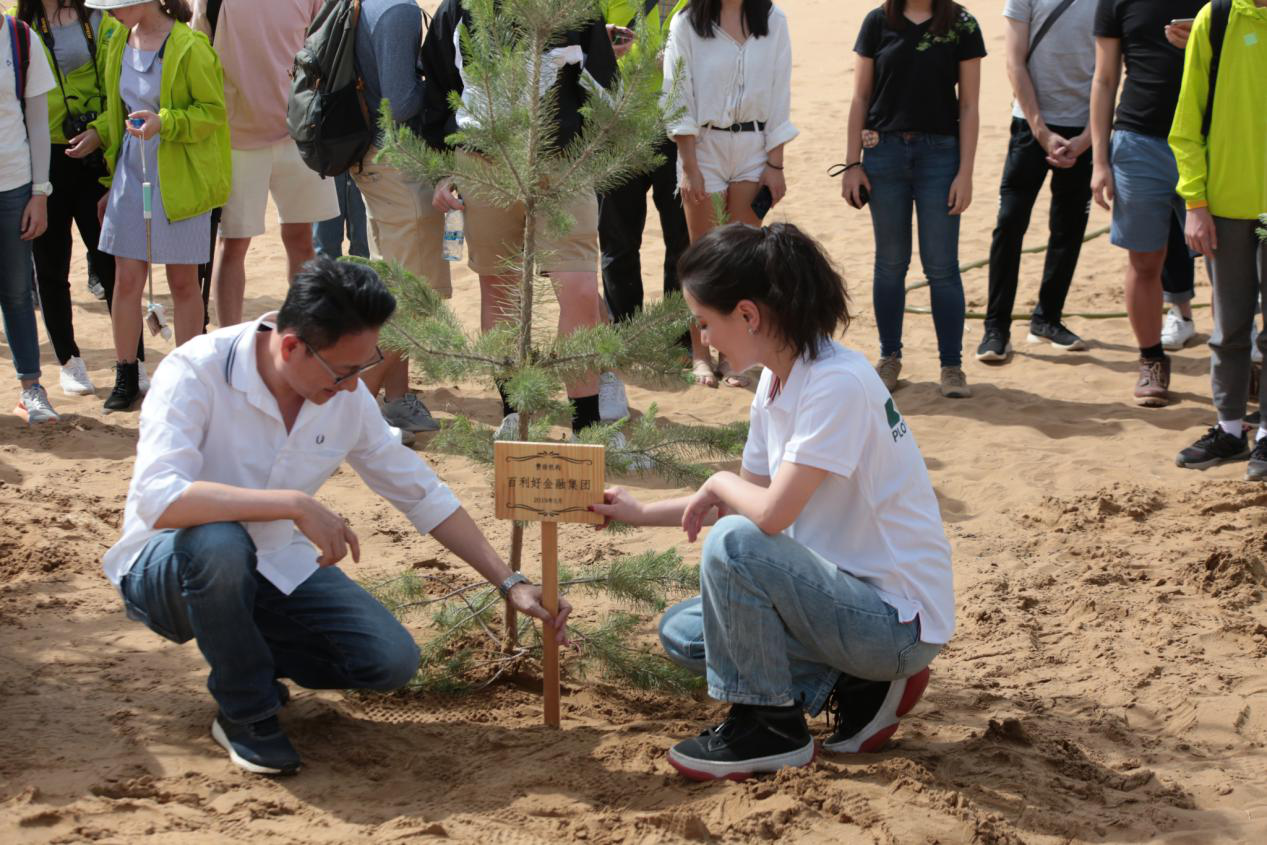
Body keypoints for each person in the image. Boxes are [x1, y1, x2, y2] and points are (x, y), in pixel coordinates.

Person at [102, 257, 572, 775]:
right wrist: (294, 504)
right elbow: (161, 500)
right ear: (291, 347)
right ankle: (246, 711)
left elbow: (420, 492)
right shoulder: (195, 370)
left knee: (388, 660)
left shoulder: (340, 391)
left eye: (365, 367)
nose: (354, 387)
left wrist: (510, 583)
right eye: (344, 372)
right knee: (218, 542)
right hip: (165, 570)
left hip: (271, 567)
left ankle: (244, 654)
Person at [592, 223, 952, 780]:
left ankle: (771, 728)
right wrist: (640, 512)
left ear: (748, 315)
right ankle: (857, 683)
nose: (704, 339)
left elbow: (766, 516)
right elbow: (748, 499)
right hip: (842, 600)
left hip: (895, 623)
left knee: (733, 548)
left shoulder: (837, 383)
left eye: (706, 323)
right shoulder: (777, 380)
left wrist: (716, 481)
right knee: (687, 634)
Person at [424, 0, 618, 435]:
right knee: (500, 288)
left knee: (581, 289)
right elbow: (438, 90)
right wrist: (442, 170)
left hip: (562, 166)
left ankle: (587, 425)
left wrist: (592, 152)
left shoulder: (577, 6)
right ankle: (513, 412)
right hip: (484, 163)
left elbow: (605, 84)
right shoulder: (458, 8)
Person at [70, 0, 230, 412]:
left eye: (115, 5)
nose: (108, 13)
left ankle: (187, 380)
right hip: (131, 170)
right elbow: (116, 111)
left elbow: (212, 113)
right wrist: (98, 135)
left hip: (181, 177)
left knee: (182, 283)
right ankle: (127, 375)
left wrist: (166, 122)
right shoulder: (118, 41)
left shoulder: (190, 46)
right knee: (125, 279)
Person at [841, 0, 984, 399]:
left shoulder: (962, 24)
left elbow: (970, 105)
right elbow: (860, 98)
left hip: (941, 157)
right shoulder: (876, 23)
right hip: (883, 156)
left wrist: (965, 173)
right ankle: (889, 358)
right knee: (890, 263)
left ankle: (952, 366)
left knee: (942, 266)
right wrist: (852, 163)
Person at [663, 0, 796, 388]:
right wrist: (689, 165)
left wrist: (776, 163)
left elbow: (779, 93)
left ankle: (734, 356)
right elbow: (676, 93)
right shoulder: (687, 22)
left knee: (743, 258)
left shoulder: (773, 20)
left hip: (755, 148)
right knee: (701, 256)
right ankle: (700, 354)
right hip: (703, 147)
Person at [190, 0, 338, 329]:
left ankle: (301, 333)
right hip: (235, 139)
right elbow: (197, 52)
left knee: (301, 237)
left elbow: (323, 45)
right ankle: (230, 340)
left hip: (299, 133)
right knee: (233, 244)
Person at [1089, 0, 1205, 407]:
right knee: (1144, 261)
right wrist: (1100, 161)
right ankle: (1151, 360)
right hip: (1139, 142)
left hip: (1212, 143)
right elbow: (1104, 80)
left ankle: (1241, 363)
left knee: (1229, 262)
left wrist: (1208, 40)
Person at [1171, 0, 1267, 476]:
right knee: (1230, 329)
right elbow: (1186, 123)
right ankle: (1230, 430)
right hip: (1226, 208)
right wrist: (1195, 203)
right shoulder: (1218, 17)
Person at [351, 0, 453, 436]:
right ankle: (351, 408)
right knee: (414, 301)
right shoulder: (397, 10)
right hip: (397, 163)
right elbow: (400, 101)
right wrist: (446, 85)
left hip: (374, 160)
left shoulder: (364, 4)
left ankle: (396, 401)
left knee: (395, 291)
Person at [14, 0, 126, 397]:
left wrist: (98, 130)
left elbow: (118, 88)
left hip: (97, 154)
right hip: (43, 160)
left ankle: (130, 361)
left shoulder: (99, 16)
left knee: (112, 262)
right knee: (50, 266)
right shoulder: (19, 25)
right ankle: (69, 361)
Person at [977, 0, 1097, 364]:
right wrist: (1042, 131)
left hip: (1086, 130)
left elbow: (1113, 68)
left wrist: (1090, 136)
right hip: (1030, 128)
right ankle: (996, 327)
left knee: (1069, 227)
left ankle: (1047, 318)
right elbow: (1014, 63)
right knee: (1010, 223)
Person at [597, 1, 689, 355]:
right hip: (620, 130)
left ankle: (679, 338)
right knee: (618, 242)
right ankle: (626, 337)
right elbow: (582, 59)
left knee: (682, 241)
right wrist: (606, 51)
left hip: (680, 132)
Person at [0, 12, 59, 423]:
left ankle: (31, 389)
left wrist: (40, 191)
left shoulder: (20, 38)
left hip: (14, 184)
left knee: (18, 292)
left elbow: (38, 121)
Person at [313, 171, 369, 260]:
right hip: (325, 168)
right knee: (325, 248)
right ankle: (327, 273)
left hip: (364, 166)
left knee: (365, 247)